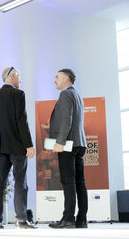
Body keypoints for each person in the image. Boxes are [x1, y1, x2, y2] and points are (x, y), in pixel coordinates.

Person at [0, 67, 36, 229]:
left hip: (0, 147)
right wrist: (28, 144)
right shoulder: (18, 94)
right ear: (13, 76)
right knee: (20, 183)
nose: (20, 81)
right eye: (19, 77)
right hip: (17, 146)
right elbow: (22, 120)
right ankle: (21, 220)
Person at [47, 69, 88, 229]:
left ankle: (68, 218)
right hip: (79, 144)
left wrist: (60, 142)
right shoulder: (77, 95)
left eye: (56, 77)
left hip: (68, 144)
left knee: (68, 181)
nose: (54, 80)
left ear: (66, 78)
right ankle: (82, 219)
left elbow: (66, 120)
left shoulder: (65, 94)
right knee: (80, 181)